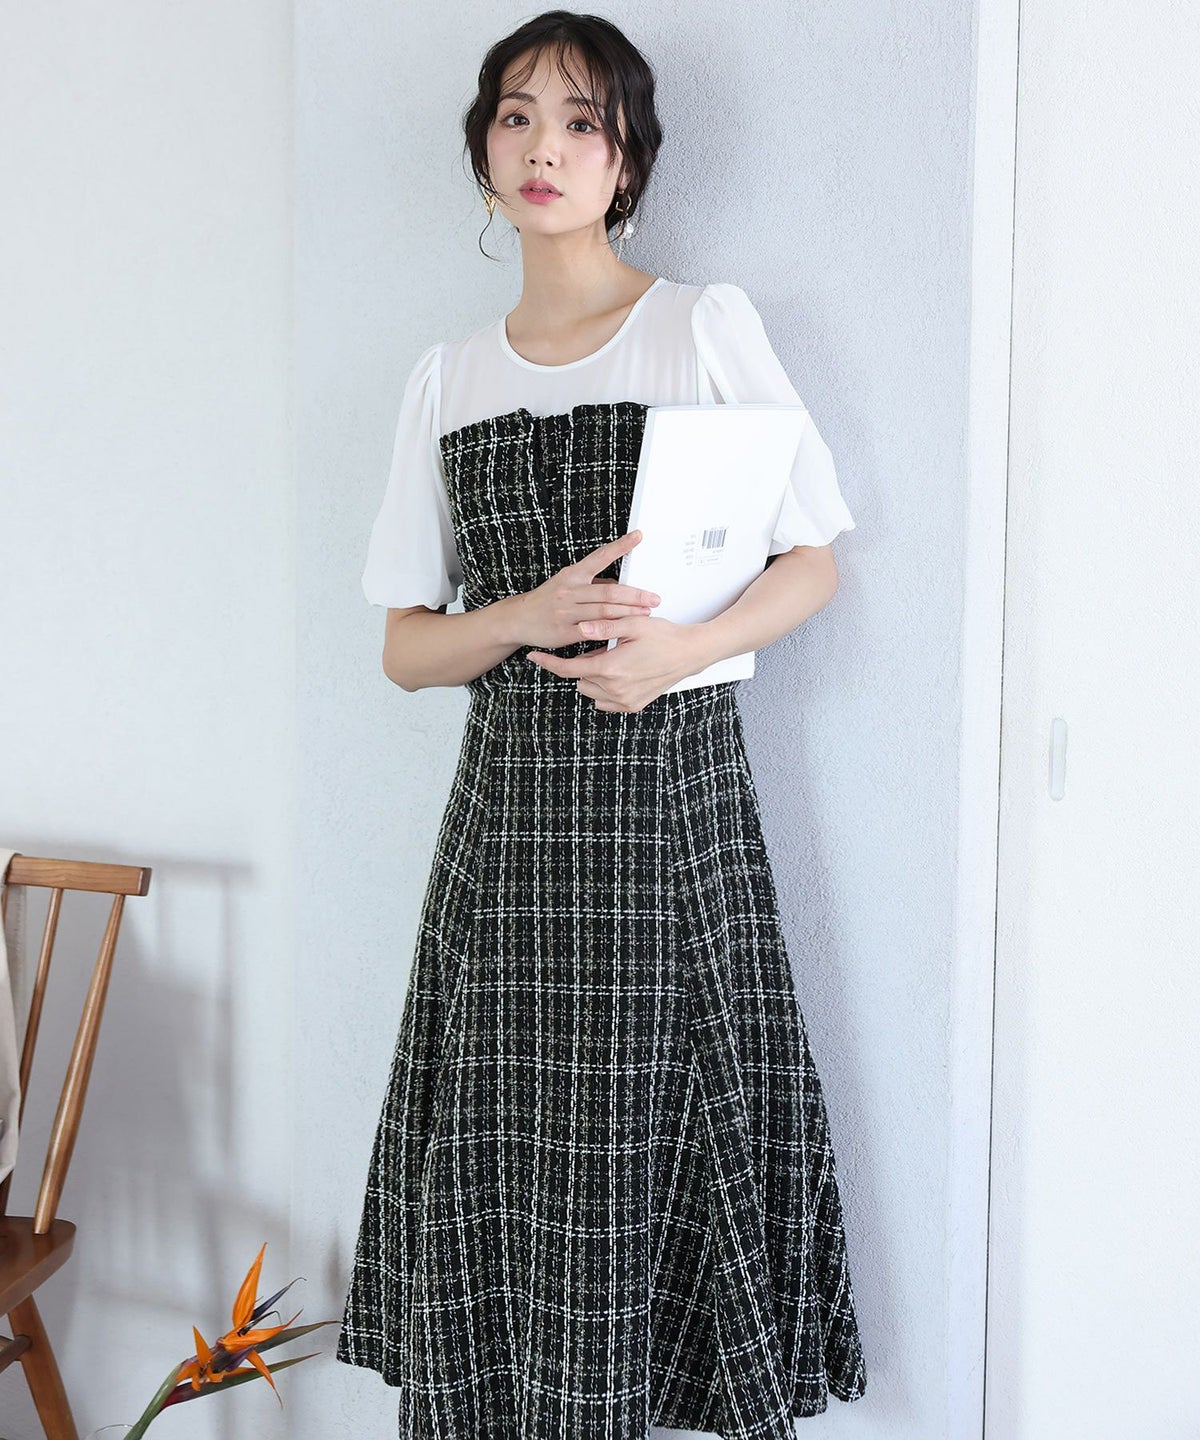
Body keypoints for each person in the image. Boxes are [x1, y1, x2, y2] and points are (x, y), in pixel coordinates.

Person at [336, 11, 868, 1436]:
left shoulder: (699, 326)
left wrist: (679, 652)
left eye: (582, 121)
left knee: (651, 1137)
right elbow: (405, 648)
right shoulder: (447, 377)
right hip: (509, 837)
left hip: (667, 818)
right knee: (506, 1148)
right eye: (516, 117)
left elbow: (814, 562)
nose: (545, 148)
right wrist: (522, 615)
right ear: (483, 153)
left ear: (627, 159)